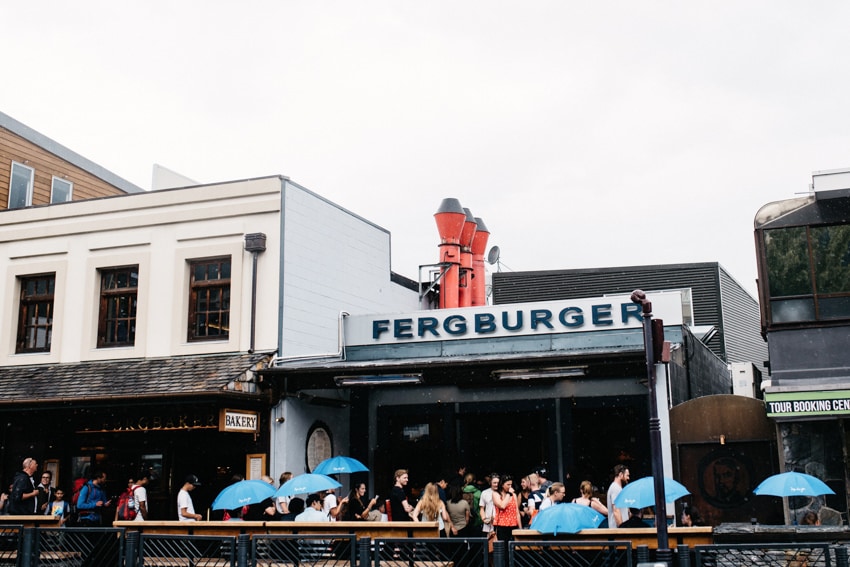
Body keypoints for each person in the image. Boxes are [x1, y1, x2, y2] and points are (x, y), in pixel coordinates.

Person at [492, 475, 521, 543]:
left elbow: (517, 512)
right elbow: (502, 506)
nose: (510, 487)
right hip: (501, 525)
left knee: (513, 548)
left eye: (511, 484)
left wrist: (520, 528)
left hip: (513, 525)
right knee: (503, 549)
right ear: (502, 484)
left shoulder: (514, 495)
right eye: (508, 485)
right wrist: (508, 494)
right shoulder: (496, 494)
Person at [479, 473, 499, 538]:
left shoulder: (502, 492)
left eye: (498, 483)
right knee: (489, 544)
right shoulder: (485, 493)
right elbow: (482, 508)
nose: (496, 485)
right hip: (488, 523)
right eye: (494, 483)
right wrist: (484, 519)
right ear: (490, 483)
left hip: (499, 522)